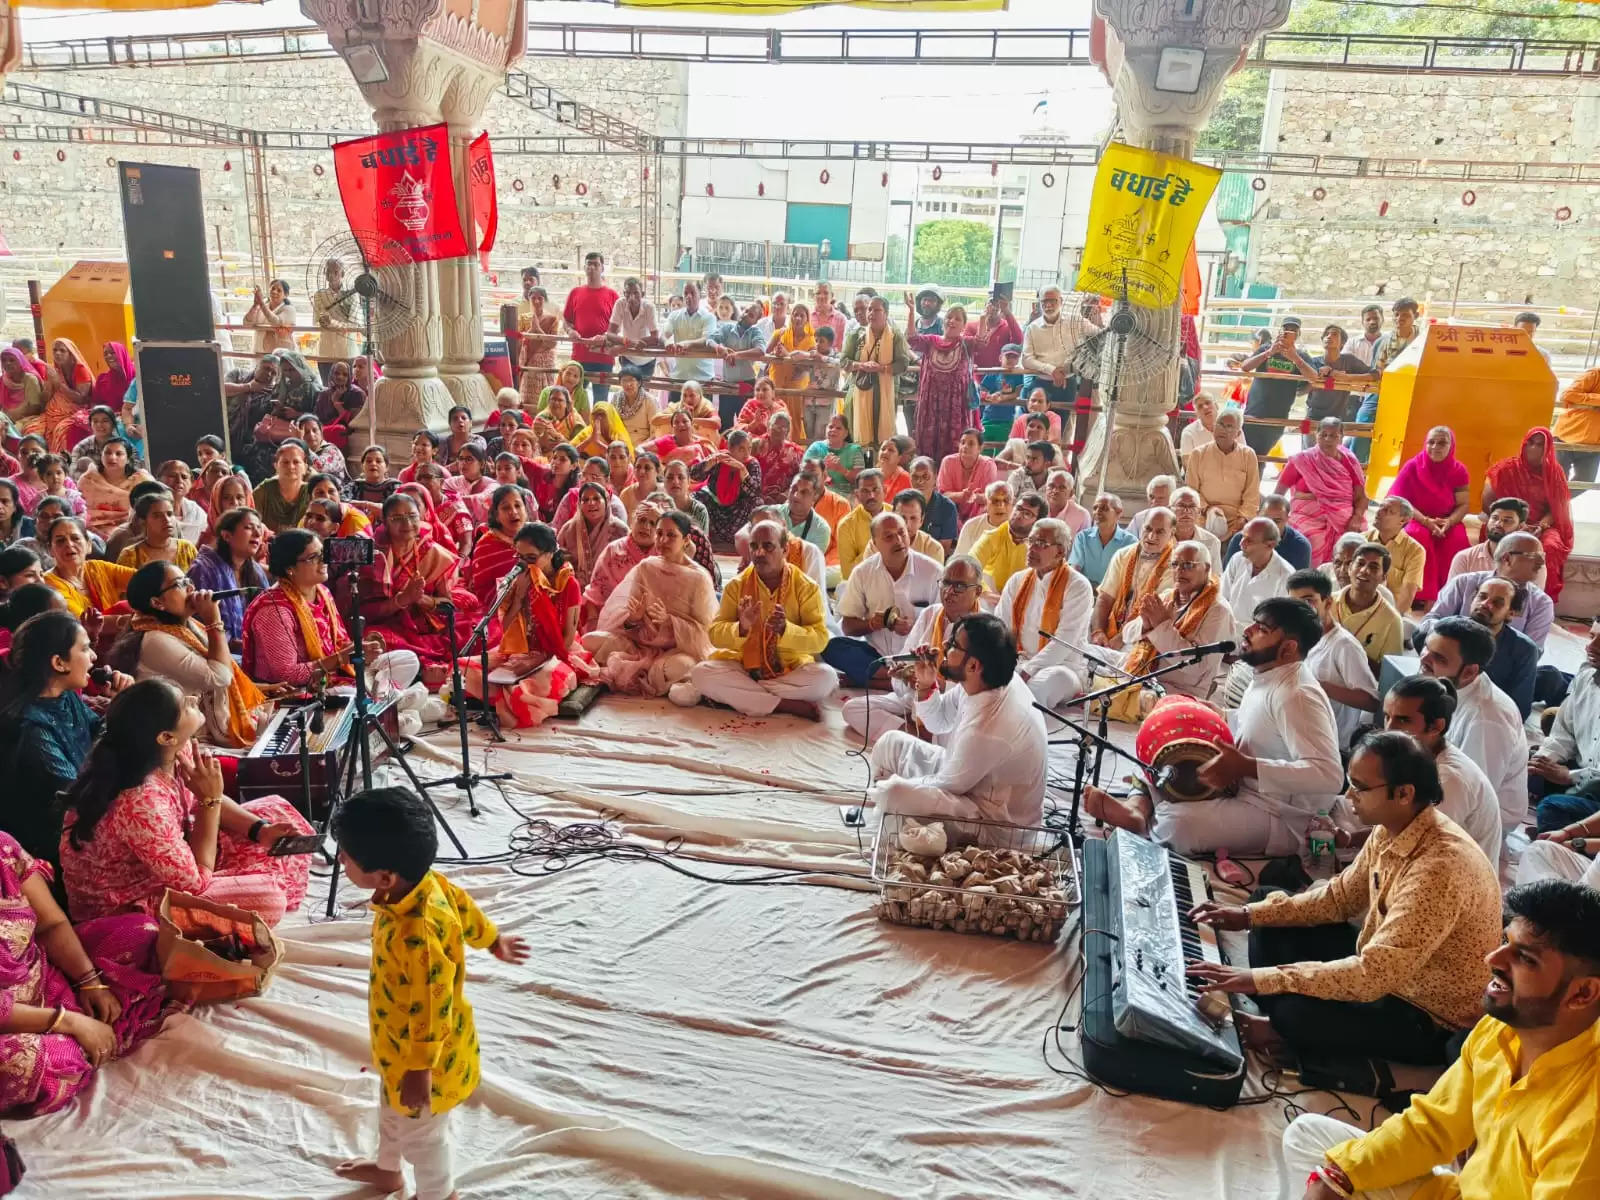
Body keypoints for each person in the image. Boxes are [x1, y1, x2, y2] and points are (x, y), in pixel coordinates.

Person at [1189, 729, 1500, 1071]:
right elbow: (1339, 899)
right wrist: (1247, 915)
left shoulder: (1440, 869)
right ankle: (1281, 1011)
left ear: (1403, 793)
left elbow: (1372, 975)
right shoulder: (1392, 825)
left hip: (1425, 1013)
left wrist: (1260, 979)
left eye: (1360, 787)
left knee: (1294, 1012)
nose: (1349, 795)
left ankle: (1282, 1025)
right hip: (1383, 966)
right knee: (1266, 906)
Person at [1282, 878, 1600, 1200]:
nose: (1494, 960)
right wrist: (1340, 1177)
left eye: (1526, 959)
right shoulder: (1502, 1029)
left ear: (1583, 993)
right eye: (1506, 941)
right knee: (1307, 1135)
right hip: (1460, 1192)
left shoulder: (1589, 1124)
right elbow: (1433, 1126)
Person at [330, 786, 529, 1200]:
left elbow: (434, 1005)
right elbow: (464, 905)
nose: (340, 861)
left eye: (346, 856)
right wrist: (493, 940)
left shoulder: (416, 935)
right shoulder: (420, 884)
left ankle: (439, 1195)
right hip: (396, 1045)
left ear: (385, 875)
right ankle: (388, 1171)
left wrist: (421, 1070)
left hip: (426, 1062)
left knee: (423, 1138)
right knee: (390, 1114)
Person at [1087, 598, 1344, 856]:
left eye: (1262, 630)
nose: (1248, 631)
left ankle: (1146, 812)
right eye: (1254, 624)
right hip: (1243, 784)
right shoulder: (1271, 673)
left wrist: (1246, 766)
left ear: (1288, 648)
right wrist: (1217, 713)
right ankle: (1136, 810)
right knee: (1157, 746)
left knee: (1176, 824)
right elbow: (1261, 725)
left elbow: (1330, 775)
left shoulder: (1297, 695)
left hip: (1281, 815)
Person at [58, 678, 312, 925]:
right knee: (267, 899)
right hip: (126, 907)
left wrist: (261, 830)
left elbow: (198, 803)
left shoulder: (176, 751)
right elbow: (196, 883)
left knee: (275, 812)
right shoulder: (140, 801)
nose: (194, 700)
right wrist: (210, 800)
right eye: (186, 705)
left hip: (171, 862)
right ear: (166, 737)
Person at [0, 821, 168, 1119]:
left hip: (46, 980)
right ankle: (86, 1038)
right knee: (38, 1063)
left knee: (140, 933)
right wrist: (70, 1022)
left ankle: (97, 1027)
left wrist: (89, 982)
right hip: (11, 1025)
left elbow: (50, 923)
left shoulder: (3, 849)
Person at [867, 612, 1048, 828]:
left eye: (953, 644)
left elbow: (947, 786)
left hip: (995, 822)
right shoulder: (983, 681)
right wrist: (926, 684)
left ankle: (888, 816)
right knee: (890, 743)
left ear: (973, 665)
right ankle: (887, 811)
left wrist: (901, 787)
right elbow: (940, 721)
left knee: (895, 794)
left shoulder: (988, 728)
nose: (944, 644)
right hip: (970, 782)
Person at [687, 519, 836, 718]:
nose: (759, 553)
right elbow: (715, 635)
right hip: (743, 666)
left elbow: (820, 640)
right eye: (754, 546)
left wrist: (786, 630)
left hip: (790, 668)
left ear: (785, 550)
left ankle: (745, 696)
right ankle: (784, 704)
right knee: (701, 673)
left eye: (768, 546)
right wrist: (742, 627)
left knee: (826, 678)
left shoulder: (806, 587)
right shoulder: (737, 585)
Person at [116, 561, 272, 749]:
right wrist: (214, 621)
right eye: (180, 584)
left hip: (201, 728)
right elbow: (220, 677)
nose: (191, 587)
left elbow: (221, 669)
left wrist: (263, 688)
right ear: (157, 603)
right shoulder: (154, 640)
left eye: (187, 580)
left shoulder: (186, 626)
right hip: (183, 742)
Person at [841, 555, 984, 745]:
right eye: (946, 583)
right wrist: (905, 677)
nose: (949, 592)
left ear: (978, 591)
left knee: (954, 735)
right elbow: (905, 662)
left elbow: (980, 690)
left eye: (959, 586)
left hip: (953, 707)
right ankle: (914, 736)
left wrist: (933, 685)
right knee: (853, 709)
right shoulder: (931, 614)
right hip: (915, 695)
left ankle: (919, 738)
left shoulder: (985, 629)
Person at [585, 507, 714, 700]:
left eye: (671, 535)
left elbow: (704, 633)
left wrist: (669, 621)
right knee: (588, 640)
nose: (662, 541)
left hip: (676, 651)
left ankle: (650, 674)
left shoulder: (699, 578)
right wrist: (634, 620)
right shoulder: (646, 567)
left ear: (686, 540)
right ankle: (654, 676)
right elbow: (628, 625)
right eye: (659, 533)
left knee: (682, 666)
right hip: (639, 646)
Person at [1419, 617, 1528, 841]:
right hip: (1443, 785)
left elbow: (1469, 793)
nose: (1424, 659)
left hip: (1483, 819)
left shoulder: (1487, 718)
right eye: (1426, 649)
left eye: (1438, 657)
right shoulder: (1443, 684)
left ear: (1469, 672)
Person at [1382, 676, 1503, 866]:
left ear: (1436, 726)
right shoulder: (1418, 754)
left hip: (1456, 881)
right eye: (1387, 717)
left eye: (1403, 720)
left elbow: (1415, 847)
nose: (1389, 728)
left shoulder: (1450, 779)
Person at [824, 511, 942, 689]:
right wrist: (871, 624)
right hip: (877, 656)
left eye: (902, 533)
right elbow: (847, 626)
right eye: (888, 537)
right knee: (831, 647)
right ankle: (901, 680)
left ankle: (875, 682)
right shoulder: (863, 572)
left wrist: (915, 628)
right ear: (874, 543)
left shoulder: (932, 571)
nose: (898, 540)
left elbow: (944, 622)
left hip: (918, 656)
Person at [361, 493, 479, 669]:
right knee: (372, 639)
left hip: (427, 626)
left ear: (421, 517)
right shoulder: (375, 555)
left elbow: (447, 604)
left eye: (412, 516)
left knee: (474, 634)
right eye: (397, 518)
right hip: (389, 624)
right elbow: (364, 611)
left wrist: (423, 599)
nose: (407, 524)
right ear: (385, 523)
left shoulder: (434, 553)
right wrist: (401, 600)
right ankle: (422, 666)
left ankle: (422, 666)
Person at [1111, 539, 1233, 702]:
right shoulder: (1167, 596)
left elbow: (1197, 666)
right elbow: (1127, 634)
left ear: (1206, 568)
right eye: (1175, 564)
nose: (1179, 571)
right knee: (1088, 656)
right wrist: (1146, 626)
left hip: (1176, 690)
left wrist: (1161, 626)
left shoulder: (1218, 611)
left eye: (1188, 565)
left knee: (1111, 695)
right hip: (1141, 672)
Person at [993, 518, 1093, 709]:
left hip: (1063, 666)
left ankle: (1027, 736)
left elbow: (1064, 641)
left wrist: (1028, 670)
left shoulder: (1078, 586)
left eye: (1040, 544)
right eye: (1030, 541)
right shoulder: (1017, 581)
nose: (1031, 549)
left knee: (1040, 687)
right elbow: (1001, 628)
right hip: (1018, 660)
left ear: (1061, 551)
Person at [1287, 569, 1379, 752]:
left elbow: (1371, 701)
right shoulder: (1301, 638)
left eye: (1308, 601)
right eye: (1294, 604)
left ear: (1327, 602)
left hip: (1333, 745)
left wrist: (1319, 686)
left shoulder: (1343, 645)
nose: (1301, 610)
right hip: (1306, 736)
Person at [1416, 530, 1554, 650]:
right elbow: (1430, 620)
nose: (1541, 563)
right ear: (1507, 559)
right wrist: (1454, 639)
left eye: (1542, 557)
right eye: (1533, 556)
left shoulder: (1541, 603)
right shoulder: (1464, 583)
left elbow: (1531, 652)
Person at [1483, 426, 1573, 603]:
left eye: (1540, 445)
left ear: (1547, 449)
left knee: (1552, 547)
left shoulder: (1555, 473)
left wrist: (1541, 525)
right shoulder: (1505, 469)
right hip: (1509, 520)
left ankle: (1540, 602)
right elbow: (1488, 503)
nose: (1533, 448)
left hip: (1542, 524)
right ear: (1523, 444)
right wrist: (1515, 524)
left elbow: (1557, 507)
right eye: (1530, 442)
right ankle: (1496, 594)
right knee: (1498, 536)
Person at [1528, 616, 1600, 835]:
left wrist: (1569, 776)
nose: (1591, 647)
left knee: (1552, 808)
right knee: (1530, 770)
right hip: (1585, 776)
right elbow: (1563, 734)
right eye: (1592, 636)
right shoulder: (1586, 678)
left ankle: (1564, 842)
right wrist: (1542, 761)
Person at [1388, 425, 1471, 605]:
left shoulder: (1459, 470)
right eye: (1431, 442)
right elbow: (1401, 501)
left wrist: (1449, 522)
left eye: (1442, 443)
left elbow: (1463, 504)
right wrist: (1426, 522)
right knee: (1417, 535)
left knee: (1456, 539)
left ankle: (1449, 594)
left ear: (1452, 446)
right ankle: (1420, 595)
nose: (1435, 447)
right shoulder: (1413, 466)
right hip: (1415, 516)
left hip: (1446, 519)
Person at [1276, 417, 1368, 566]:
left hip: (1343, 518)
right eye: (1323, 434)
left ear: (1341, 438)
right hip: (1306, 516)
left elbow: (1361, 496)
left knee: (1355, 541)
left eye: (1333, 436)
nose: (1327, 439)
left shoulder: (1349, 461)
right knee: (1311, 538)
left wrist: (1357, 517)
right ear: (1316, 435)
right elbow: (1278, 494)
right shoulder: (1302, 460)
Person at [1347, 297, 1422, 464]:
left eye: (1405, 315)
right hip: (1383, 391)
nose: (1399, 319)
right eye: (1396, 315)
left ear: (1415, 316)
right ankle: (1353, 469)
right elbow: (1377, 372)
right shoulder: (1384, 342)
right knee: (1363, 423)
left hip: (1412, 395)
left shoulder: (1423, 341)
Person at [1090, 507, 1175, 650]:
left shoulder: (1175, 565)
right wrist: (1098, 632)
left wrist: (1120, 639)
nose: (1151, 536)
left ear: (1171, 534)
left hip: (1144, 631)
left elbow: (1153, 612)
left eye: (1160, 532)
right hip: (1113, 621)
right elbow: (1105, 597)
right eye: (1148, 529)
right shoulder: (1123, 555)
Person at [903, 297, 975, 467]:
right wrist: (912, 311)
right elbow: (912, 339)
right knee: (927, 446)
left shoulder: (966, 344)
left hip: (955, 407)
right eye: (950, 317)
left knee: (954, 445)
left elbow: (982, 342)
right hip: (930, 406)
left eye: (958, 318)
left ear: (964, 326)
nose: (952, 321)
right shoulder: (931, 341)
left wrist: (984, 318)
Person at [188, 507, 269, 647]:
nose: (257, 534)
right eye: (249, 528)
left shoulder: (256, 570)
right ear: (226, 536)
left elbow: (268, 614)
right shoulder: (202, 570)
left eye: (259, 528)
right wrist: (235, 644)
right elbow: (194, 624)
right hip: (213, 649)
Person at [839, 296, 911, 451]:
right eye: (869, 309)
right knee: (859, 438)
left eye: (876, 310)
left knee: (882, 438)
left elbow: (903, 363)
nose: (871, 313)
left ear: (886, 313)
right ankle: (863, 471)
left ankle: (879, 471)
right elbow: (843, 361)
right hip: (859, 392)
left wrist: (881, 368)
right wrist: (861, 365)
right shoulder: (856, 335)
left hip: (885, 394)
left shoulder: (895, 337)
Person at [1464, 576, 1541, 719]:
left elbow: (1519, 709)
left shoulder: (1524, 649)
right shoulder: (1447, 632)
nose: (1485, 604)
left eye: (1497, 603)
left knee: (1550, 678)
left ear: (1510, 614)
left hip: (1490, 716)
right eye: (1482, 597)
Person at [1331, 540, 1405, 674]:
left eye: (1374, 567)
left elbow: (1389, 672)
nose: (1364, 571)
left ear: (1383, 577)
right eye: (1360, 564)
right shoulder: (1327, 603)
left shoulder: (1392, 620)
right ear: (1349, 568)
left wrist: (1352, 653)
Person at [1217, 515, 1294, 640]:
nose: (1241, 543)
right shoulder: (1237, 559)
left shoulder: (1286, 575)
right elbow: (1221, 599)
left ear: (1270, 545)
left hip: (1258, 642)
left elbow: (1277, 627)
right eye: (1243, 537)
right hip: (1225, 632)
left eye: (1249, 540)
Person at [1185, 408, 1259, 537]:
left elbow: (1252, 494)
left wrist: (1242, 518)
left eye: (1229, 426)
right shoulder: (1198, 454)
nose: (1222, 430)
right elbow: (1191, 491)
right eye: (1220, 424)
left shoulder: (1248, 455)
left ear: (1238, 433)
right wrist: (1208, 509)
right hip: (1204, 516)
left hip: (1237, 518)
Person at [1447, 496, 1548, 590]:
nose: (1498, 524)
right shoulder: (1465, 557)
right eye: (1494, 518)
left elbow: (1533, 602)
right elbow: (1450, 600)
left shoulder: (1532, 563)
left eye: (1507, 521)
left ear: (1520, 527)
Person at [42, 517, 135, 619]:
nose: (69, 544)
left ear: (89, 545)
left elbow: (142, 579)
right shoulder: (48, 583)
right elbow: (82, 622)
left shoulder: (98, 567)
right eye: (60, 541)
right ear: (50, 549)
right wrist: (133, 620)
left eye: (75, 538)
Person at [562, 251, 619, 406]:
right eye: (589, 264)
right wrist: (570, 331)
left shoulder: (613, 295)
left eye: (596, 264)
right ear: (585, 267)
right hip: (580, 356)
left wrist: (607, 336)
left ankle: (598, 431)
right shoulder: (575, 293)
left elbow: (620, 326)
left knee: (600, 402)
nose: (592, 268)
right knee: (573, 399)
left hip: (603, 357)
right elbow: (566, 320)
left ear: (602, 268)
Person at [691, 429, 762, 549]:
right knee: (696, 498)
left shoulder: (752, 464)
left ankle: (740, 540)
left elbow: (754, 491)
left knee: (757, 502)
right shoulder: (720, 459)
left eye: (749, 448)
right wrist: (709, 464)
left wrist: (742, 470)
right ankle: (704, 538)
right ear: (730, 448)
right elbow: (693, 475)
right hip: (716, 508)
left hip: (737, 510)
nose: (746, 453)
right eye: (741, 449)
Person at [1019, 286, 1082, 413]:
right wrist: (1051, 370)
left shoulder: (1075, 323)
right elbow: (1026, 360)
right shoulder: (1033, 328)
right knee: (1035, 424)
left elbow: (1096, 335)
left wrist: (1066, 368)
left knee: (1060, 426)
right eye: (1044, 302)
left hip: (1067, 383)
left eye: (1053, 301)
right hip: (1041, 382)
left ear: (1061, 301)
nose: (1048, 305)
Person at [26, 339, 94, 454]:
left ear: (71, 354)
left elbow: (81, 399)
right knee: (31, 428)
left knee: (60, 431)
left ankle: (58, 465)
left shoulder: (80, 369)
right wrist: (47, 386)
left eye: (62, 351)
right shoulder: (54, 369)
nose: (57, 353)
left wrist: (59, 384)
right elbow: (46, 397)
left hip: (77, 411)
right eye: (55, 350)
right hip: (51, 412)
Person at [556, 480, 627, 592]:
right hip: (575, 592)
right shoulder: (569, 529)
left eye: (596, 498)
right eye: (585, 500)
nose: (591, 503)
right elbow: (556, 559)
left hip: (611, 592)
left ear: (607, 500)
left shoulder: (620, 530)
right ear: (579, 504)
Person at [1298, 323, 1377, 422]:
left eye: (1334, 334)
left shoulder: (1349, 360)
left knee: (1334, 436)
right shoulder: (1313, 362)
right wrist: (1316, 382)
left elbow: (1375, 374)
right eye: (1326, 334)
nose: (1329, 336)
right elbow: (1298, 392)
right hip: (1310, 416)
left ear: (1342, 343)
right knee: (1304, 432)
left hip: (1336, 421)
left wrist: (1345, 377)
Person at [972, 492, 1047, 594]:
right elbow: (970, 566)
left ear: (1037, 522)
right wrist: (988, 595)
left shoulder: (1042, 546)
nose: (1019, 515)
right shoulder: (992, 537)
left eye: (1027, 514)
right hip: (992, 599)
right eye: (1018, 508)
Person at [77, 438, 151, 540]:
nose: (112, 457)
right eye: (107, 453)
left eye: (119, 454)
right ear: (101, 456)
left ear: (128, 459)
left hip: (131, 532)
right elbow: (78, 510)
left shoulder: (142, 480)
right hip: (92, 534)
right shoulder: (88, 479)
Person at [661, 280, 719, 409]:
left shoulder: (709, 317)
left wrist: (686, 344)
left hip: (703, 378)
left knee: (703, 422)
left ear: (700, 294)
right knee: (675, 418)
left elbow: (707, 340)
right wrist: (667, 343)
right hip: (679, 377)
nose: (688, 296)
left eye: (692, 292)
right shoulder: (674, 316)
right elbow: (665, 333)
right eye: (686, 293)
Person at [1367, 495, 1426, 614]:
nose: (1379, 511)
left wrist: (1392, 621)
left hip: (1393, 613)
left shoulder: (1415, 551)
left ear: (1402, 521)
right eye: (1381, 507)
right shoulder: (1362, 539)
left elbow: (1408, 594)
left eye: (1388, 511)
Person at [765, 301, 817, 432]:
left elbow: (810, 364)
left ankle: (796, 449)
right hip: (777, 381)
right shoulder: (780, 334)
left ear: (807, 319)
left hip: (797, 385)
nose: (798, 318)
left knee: (795, 418)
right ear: (791, 316)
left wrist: (787, 355)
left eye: (802, 316)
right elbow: (765, 354)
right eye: (795, 314)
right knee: (775, 416)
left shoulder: (811, 339)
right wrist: (775, 353)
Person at [115, 490, 197, 572]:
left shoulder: (187, 549)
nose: (167, 520)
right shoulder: (131, 556)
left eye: (169, 514)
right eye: (157, 516)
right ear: (143, 521)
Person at [1068, 492, 1136, 589]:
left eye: (1104, 508)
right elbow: (1074, 571)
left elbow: (1129, 578)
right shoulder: (1082, 537)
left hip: (1114, 596)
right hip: (1085, 591)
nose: (1098, 512)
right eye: (1095, 508)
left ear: (1119, 513)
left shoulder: (1130, 542)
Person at [834, 468, 889, 582]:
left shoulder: (897, 515)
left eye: (875, 489)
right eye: (865, 491)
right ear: (857, 494)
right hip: (863, 583)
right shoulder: (846, 525)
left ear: (885, 490)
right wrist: (874, 548)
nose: (871, 495)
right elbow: (848, 573)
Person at [937, 428, 1000, 523]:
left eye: (971, 444)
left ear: (980, 448)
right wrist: (962, 496)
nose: (965, 446)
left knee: (987, 509)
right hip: (952, 509)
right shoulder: (948, 462)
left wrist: (974, 497)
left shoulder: (988, 465)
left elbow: (990, 497)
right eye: (962, 442)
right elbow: (942, 495)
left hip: (978, 511)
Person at [1554, 358, 1600, 482]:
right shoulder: (1594, 374)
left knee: (1585, 481)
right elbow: (1567, 395)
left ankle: (1557, 501)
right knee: (1557, 481)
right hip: (1566, 439)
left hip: (1593, 447)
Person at [803, 412, 866, 497]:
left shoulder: (854, 450)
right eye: (830, 427)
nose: (833, 430)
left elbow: (861, 481)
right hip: (819, 495)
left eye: (838, 428)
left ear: (846, 433)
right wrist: (822, 468)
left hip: (847, 497)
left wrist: (841, 469)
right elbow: (803, 473)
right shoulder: (816, 447)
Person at [516, 285, 559, 406]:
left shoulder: (552, 319)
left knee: (546, 397)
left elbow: (552, 344)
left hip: (545, 364)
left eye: (540, 298)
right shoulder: (523, 319)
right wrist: (531, 330)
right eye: (533, 298)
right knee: (528, 400)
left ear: (544, 300)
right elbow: (518, 342)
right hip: (529, 363)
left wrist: (538, 330)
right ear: (529, 300)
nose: (536, 301)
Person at [909, 454, 961, 552]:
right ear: (909, 478)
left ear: (935, 478)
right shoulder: (900, 503)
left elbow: (944, 548)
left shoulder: (947, 507)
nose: (920, 481)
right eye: (915, 476)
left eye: (925, 476)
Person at [954, 479, 1014, 558]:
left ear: (1012, 503)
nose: (1000, 506)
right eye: (995, 501)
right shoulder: (971, 526)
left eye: (1006, 500)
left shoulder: (1021, 530)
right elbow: (960, 560)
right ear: (986, 503)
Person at [888, 489, 947, 565]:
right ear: (892, 516)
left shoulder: (934, 548)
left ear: (921, 520)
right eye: (902, 517)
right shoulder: (878, 544)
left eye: (913, 518)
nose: (906, 524)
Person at [244, 279, 297, 355]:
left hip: (281, 354)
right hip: (259, 351)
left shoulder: (289, 309)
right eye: (273, 289)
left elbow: (276, 322)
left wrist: (261, 303)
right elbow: (246, 323)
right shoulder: (261, 307)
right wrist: (255, 305)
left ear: (286, 295)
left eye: (279, 290)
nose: (274, 292)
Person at [0, 345, 45, 429]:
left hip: (27, 418)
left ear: (21, 362)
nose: (7, 363)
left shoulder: (30, 380)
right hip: (5, 418)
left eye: (12, 360)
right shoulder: (3, 380)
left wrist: (12, 416)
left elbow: (35, 408)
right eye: (4, 360)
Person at [660, 459, 709, 536]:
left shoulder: (699, 510)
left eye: (681, 477)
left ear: (688, 482)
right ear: (664, 482)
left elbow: (703, 544)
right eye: (670, 477)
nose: (675, 481)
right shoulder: (658, 507)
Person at [1179, 390, 1219, 461]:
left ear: (1216, 406)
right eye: (1200, 406)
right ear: (1197, 414)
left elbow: (1244, 457)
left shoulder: (1232, 427)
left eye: (1208, 403)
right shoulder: (1189, 432)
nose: (1205, 407)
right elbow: (1187, 464)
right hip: (1197, 471)